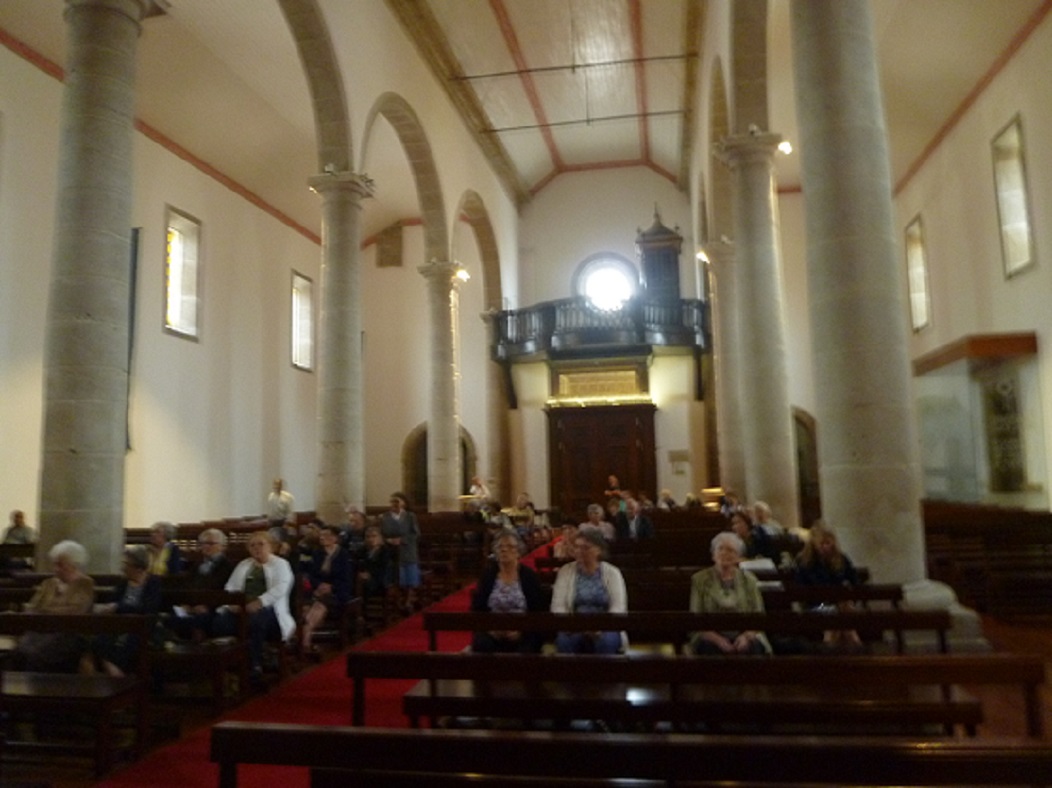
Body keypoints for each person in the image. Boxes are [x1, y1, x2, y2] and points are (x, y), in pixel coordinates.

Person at [217, 531, 295, 684]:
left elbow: (281, 588)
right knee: (220, 622)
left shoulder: (280, 564)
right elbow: (230, 587)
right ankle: (234, 663)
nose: (256, 548)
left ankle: (255, 665)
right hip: (242, 609)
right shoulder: (244, 564)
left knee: (256, 621)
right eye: (252, 545)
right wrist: (232, 603)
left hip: (270, 610)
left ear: (270, 546)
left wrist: (260, 602)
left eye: (261, 544)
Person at [12, 540, 95, 672]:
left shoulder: (85, 584)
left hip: (68, 633)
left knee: (37, 655)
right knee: (19, 652)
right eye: (55, 564)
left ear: (74, 565)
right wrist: (47, 612)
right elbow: (32, 607)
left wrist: (45, 611)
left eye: (61, 565)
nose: (56, 569)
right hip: (41, 630)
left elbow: (75, 611)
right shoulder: (48, 583)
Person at [687, 531, 770, 655]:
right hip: (710, 635)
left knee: (752, 649)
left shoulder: (749, 580)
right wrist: (718, 640)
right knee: (710, 650)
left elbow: (758, 616)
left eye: (731, 550)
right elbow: (696, 617)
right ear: (713, 555)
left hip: (744, 634)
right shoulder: (699, 580)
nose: (725, 553)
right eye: (720, 549)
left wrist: (745, 637)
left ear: (738, 557)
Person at [550, 528, 627, 654]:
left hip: (606, 626)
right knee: (565, 642)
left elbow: (618, 607)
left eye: (585, 547)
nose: (579, 551)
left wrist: (600, 627)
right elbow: (558, 606)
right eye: (577, 547)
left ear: (598, 550)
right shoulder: (565, 571)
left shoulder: (612, 573)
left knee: (605, 643)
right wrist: (576, 625)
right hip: (573, 625)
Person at [470, 531, 547, 653]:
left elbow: (538, 610)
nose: (504, 550)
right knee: (482, 644)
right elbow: (478, 607)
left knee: (528, 648)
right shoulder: (488, 575)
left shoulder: (529, 576)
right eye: (500, 547)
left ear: (518, 552)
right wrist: (490, 629)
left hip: (524, 629)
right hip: (493, 629)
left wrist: (521, 631)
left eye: (510, 546)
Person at [92, 546, 162, 676]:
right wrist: (107, 608)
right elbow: (113, 601)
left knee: (124, 646)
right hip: (118, 624)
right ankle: (114, 674)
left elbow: (147, 609)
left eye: (126, 564)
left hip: (141, 627)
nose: (123, 567)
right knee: (98, 642)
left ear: (139, 568)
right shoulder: (124, 583)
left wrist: (119, 607)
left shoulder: (153, 583)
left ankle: (118, 679)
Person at [795, 521, 863, 649]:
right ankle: (850, 647)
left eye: (828, 543)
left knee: (841, 613)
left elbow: (855, 582)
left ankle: (836, 649)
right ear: (814, 543)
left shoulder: (841, 559)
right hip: (816, 606)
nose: (826, 547)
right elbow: (802, 592)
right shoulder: (805, 562)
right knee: (836, 617)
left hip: (839, 604)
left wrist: (850, 599)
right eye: (822, 544)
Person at [299, 524, 353, 653]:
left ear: (335, 538)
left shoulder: (344, 554)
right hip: (318, 590)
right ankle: (305, 636)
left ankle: (306, 635)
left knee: (320, 605)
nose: (322, 538)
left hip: (338, 591)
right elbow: (311, 575)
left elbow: (347, 578)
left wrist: (332, 587)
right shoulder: (317, 553)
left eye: (326, 535)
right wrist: (318, 585)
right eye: (321, 535)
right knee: (305, 605)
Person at [380, 492, 421, 614]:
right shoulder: (385, 517)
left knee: (409, 578)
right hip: (391, 550)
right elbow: (381, 533)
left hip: (407, 550)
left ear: (403, 503)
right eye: (392, 502)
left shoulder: (410, 516)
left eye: (397, 501)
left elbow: (416, 534)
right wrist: (388, 540)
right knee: (396, 577)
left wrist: (402, 540)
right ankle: (398, 602)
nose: (394, 504)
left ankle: (408, 601)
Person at [356, 525, 391, 602]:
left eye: (374, 536)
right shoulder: (362, 550)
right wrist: (361, 573)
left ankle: (361, 610)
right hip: (362, 578)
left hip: (380, 580)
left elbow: (384, 569)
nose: (371, 539)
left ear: (380, 537)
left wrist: (369, 575)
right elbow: (356, 563)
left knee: (362, 584)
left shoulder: (385, 551)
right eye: (368, 537)